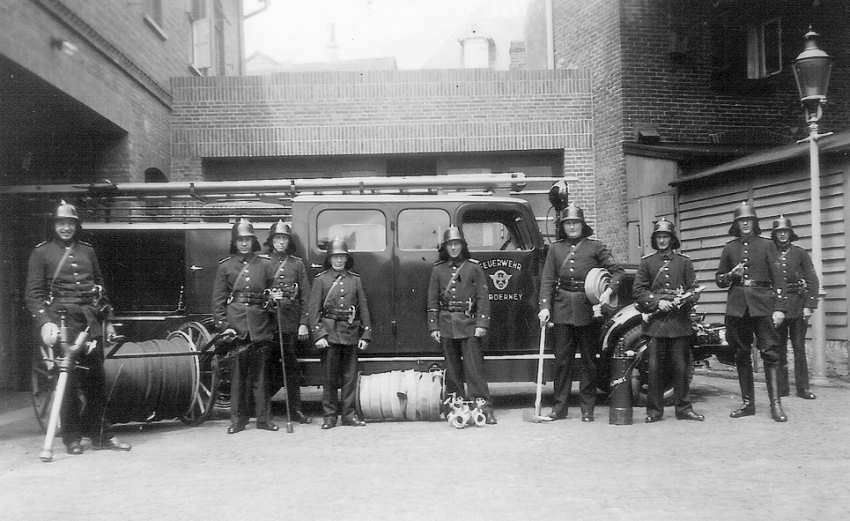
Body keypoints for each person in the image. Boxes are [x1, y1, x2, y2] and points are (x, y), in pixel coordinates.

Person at [25, 200, 131, 455]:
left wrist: (107, 321)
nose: (65, 228)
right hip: (62, 323)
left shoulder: (87, 251)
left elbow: (100, 288)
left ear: (76, 225)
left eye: (70, 223)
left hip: (89, 322)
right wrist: (45, 322)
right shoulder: (41, 253)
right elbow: (33, 294)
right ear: (54, 225)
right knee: (68, 382)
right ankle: (72, 437)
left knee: (96, 381)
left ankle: (102, 435)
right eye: (61, 223)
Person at [537, 203, 623, 422]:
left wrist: (609, 290)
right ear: (562, 227)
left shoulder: (595, 247)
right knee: (562, 361)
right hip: (562, 310)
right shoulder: (555, 249)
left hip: (588, 309)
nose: (572, 227)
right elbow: (547, 279)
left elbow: (617, 271)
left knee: (588, 361)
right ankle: (559, 407)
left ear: (582, 225)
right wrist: (545, 307)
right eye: (568, 223)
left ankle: (587, 408)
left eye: (575, 223)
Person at [716, 202, 788, 422]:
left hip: (763, 306)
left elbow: (779, 279)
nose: (745, 224)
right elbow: (719, 280)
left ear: (754, 223)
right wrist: (731, 275)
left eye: (748, 220)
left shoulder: (767, 246)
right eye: (741, 221)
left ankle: (776, 405)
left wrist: (780, 308)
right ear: (736, 225)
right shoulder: (729, 248)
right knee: (741, 354)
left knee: (771, 353)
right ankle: (748, 404)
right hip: (737, 309)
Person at [632, 217, 704, 423]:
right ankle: (654, 412)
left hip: (679, 324)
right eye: (659, 237)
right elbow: (638, 291)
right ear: (655, 240)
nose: (662, 240)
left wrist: (684, 300)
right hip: (656, 325)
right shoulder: (647, 262)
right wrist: (657, 302)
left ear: (673, 239)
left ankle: (684, 408)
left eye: (666, 237)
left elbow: (694, 291)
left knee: (681, 368)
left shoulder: (684, 262)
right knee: (654, 369)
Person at [212, 217, 278, 434]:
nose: (244, 243)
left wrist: (274, 301)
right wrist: (224, 327)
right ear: (234, 242)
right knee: (238, 378)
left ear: (253, 241)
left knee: (261, 377)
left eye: (248, 239)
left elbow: (272, 295)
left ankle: (264, 419)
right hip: (237, 327)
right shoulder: (226, 267)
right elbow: (218, 301)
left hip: (260, 326)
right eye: (240, 240)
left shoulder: (266, 264)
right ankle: (238, 421)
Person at [427, 226, 497, 425]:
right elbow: (432, 301)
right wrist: (434, 327)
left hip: (469, 324)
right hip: (447, 324)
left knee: (474, 369)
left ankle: (483, 407)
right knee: (452, 370)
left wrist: (482, 323)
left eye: (457, 244)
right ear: (445, 247)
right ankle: (456, 407)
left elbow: (483, 297)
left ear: (463, 246)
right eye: (450, 244)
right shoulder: (438, 269)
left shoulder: (473, 267)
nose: (454, 248)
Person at [308, 238, 371, 429]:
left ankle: (348, 415)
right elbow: (313, 311)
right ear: (330, 259)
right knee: (329, 378)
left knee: (349, 378)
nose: (339, 261)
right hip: (330, 335)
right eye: (335, 257)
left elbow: (364, 308)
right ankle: (329, 416)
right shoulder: (321, 280)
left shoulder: (355, 280)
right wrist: (318, 335)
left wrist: (365, 334)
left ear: (347, 259)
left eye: (342, 257)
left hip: (350, 333)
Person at [266, 220, 313, 423]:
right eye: (277, 238)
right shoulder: (263, 263)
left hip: (290, 323)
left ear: (288, 241)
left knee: (291, 368)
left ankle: (295, 410)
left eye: (284, 238)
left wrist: (303, 322)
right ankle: (264, 411)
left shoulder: (297, 264)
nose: (281, 242)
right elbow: (259, 292)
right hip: (268, 324)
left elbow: (306, 297)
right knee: (266, 367)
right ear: (272, 241)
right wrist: (269, 298)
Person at [771, 215, 819, 400]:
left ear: (791, 234)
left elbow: (812, 280)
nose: (782, 235)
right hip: (778, 307)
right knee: (779, 348)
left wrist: (810, 305)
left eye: (785, 232)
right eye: (779, 232)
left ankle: (803, 388)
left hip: (798, 306)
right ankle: (782, 388)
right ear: (775, 235)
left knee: (799, 348)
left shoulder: (800, 253)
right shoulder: (770, 253)